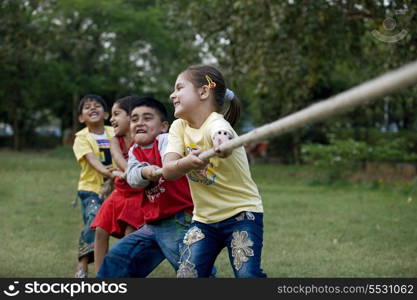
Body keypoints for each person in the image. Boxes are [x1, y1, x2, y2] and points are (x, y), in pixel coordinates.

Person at [163, 65, 266, 278]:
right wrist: (187, 163)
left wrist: (222, 143)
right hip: (204, 220)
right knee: (186, 276)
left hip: (241, 214)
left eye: (179, 87)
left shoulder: (217, 123)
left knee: (248, 276)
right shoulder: (178, 127)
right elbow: (168, 170)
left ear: (203, 91)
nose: (173, 94)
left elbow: (221, 135)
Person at [97, 97, 194, 277]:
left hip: (178, 219)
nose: (139, 123)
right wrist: (145, 172)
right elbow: (134, 179)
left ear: (163, 126)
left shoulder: (166, 141)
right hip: (152, 224)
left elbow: (170, 161)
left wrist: (164, 166)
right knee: (117, 260)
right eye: (134, 119)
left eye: (147, 118)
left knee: (191, 272)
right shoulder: (135, 150)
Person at [91, 96, 145, 273]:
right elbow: (118, 158)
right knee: (100, 230)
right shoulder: (115, 140)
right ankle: (100, 276)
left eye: (116, 114)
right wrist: (131, 171)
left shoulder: (143, 139)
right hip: (120, 193)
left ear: (131, 117)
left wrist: (133, 174)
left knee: (130, 236)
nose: (111, 119)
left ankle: (124, 274)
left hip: (138, 195)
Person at [72, 94, 115, 278]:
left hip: (116, 188)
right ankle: (82, 266)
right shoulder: (81, 138)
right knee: (94, 222)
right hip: (90, 189)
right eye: (87, 107)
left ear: (106, 114)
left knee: (108, 228)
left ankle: (106, 268)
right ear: (81, 118)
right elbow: (92, 160)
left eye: (97, 105)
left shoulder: (115, 132)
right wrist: (109, 172)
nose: (92, 108)